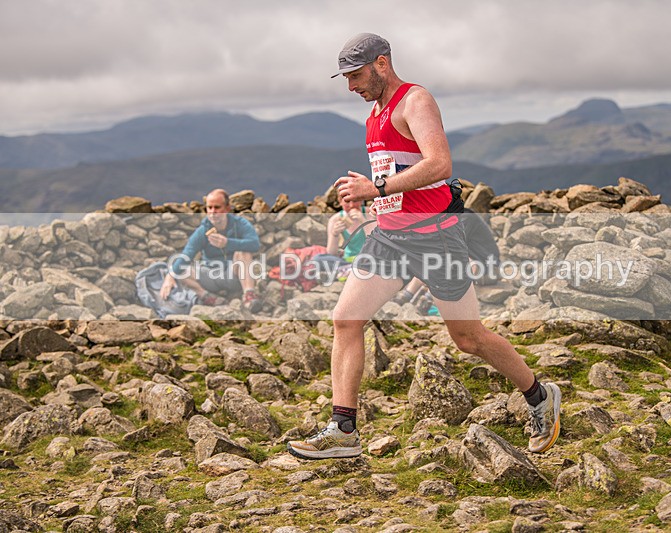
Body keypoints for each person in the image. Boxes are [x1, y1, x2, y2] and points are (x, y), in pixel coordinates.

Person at [287, 33, 561, 460]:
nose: (350, 87)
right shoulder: (373, 114)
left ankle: (540, 396)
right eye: (345, 78)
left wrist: (374, 186)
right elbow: (403, 172)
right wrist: (373, 196)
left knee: (469, 338)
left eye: (356, 76)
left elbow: (439, 164)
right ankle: (343, 430)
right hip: (391, 235)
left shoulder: (416, 101)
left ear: (382, 64)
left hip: (438, 235)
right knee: (345, 318)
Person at [160, 188, 264, 313]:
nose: (213, 212)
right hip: (210, 274)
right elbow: (188, 253)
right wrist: (170, 275)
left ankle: (248, 296)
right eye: (209, 208)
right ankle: (207, 297)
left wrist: (227, 243)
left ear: (227, 208)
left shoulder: (240, 224)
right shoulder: (203, 231)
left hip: (235, 274)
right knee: (181, 270)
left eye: (217, 207)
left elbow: (254, 245)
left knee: (243, 252)